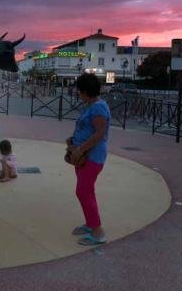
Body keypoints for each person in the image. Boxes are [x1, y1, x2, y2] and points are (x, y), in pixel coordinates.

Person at [67, 72, 110, 246]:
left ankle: (98, 232)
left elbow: (99, 134)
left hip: (92, 156)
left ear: (86, 91)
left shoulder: (98, 107)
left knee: (84, 192)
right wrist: (73, 141)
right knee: (85, 191)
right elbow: (88, 129)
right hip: (83, 155)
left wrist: (80, 149)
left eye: (79, 91)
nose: (78, 93)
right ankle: (90, 224)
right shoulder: (91, 105)